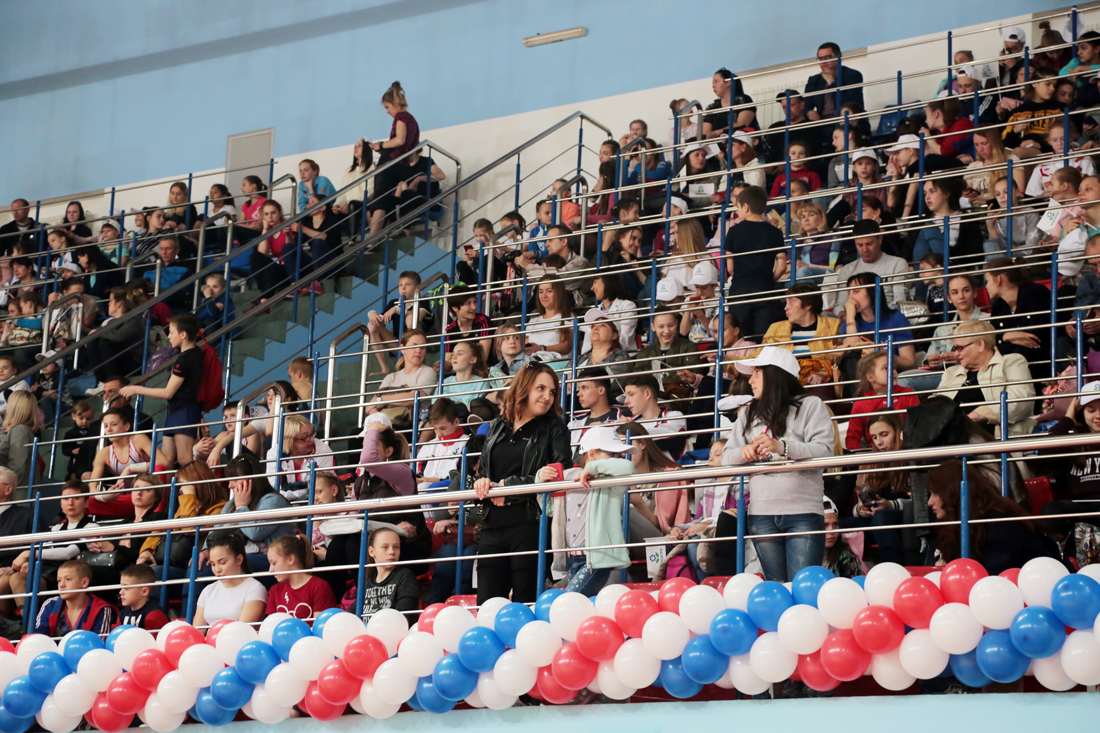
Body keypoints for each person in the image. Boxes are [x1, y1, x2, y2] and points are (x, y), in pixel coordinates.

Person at [723, 347, 835, 582]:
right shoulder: (748, 412)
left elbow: (824, 450)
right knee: (777, 588)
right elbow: (726, 457)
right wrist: (743, 452)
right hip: (761, 514)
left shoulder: (811, 405)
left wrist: (782, 447)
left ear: (775, 374)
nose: (750, 380)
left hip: (803, 511)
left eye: (757, 372)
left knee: (803, 586)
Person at [472, 363, 571, 604]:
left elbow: (560, 474)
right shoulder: (496, 426)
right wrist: (482, 483)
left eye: (552, 392)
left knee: (527, 601)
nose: (547, 397)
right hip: (492, 524)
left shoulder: (554, 427)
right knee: (487, 604)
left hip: (531, 524)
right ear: (524, 387)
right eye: (541, 388)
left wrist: (509, 486)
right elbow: (484, 473)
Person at [926, 459, 1060, 575]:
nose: (929, 502)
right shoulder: (960, 525)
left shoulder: (1000, 521)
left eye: (935, 494)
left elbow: (996, 574)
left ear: (953, 493)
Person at [549, 427, 635, 594]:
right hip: (572, 558)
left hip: (598, 558)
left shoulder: (612, 482)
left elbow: (628, 467)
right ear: (592, 453)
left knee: (571, 599)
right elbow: (548, 507)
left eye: (619, 455)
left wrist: (592, 468)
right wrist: (541, 477)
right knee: (579, 603)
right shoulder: (569, 477)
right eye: (612, 454)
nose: (616, 459)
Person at [120, 314, 203, 467]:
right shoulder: (192, 353)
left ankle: (200, 482)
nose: (169, 336)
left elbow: (168, 392)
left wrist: (136, 389)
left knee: (185, 459)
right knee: (166, 460)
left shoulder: (186, 359)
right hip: (175, 410)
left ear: (183, 335)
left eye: (171, 332)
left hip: (184, 411)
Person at [935, 319, 1036, 437]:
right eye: (955, 348)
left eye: (960, 348)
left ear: (980, 345)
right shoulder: (951, 373)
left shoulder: (1011, 362)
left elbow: (1020, 402)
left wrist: (973, 417)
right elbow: (933, 406)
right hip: (952, 436)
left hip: (993, 437)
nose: (956, 353)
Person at [355, 421, 431, 569]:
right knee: (342, 543)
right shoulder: (360, 482)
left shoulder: (402, 471)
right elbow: (355, 521)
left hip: (406, 545)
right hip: (378, 544)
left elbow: (367, 459)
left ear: (388, 452)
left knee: (355, 544)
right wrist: (390, 527)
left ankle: (366, 583)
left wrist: (373, 429)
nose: (366, 450)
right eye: (365, 446)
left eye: (371, 445)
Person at [203, 453, 294, 575]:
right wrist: (206, 550)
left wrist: (241, 507)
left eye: (235, 479)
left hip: (270, 560)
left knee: (234, 563)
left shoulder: (274, 501)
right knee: (199, 565)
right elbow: (215, 531)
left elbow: (255, 533)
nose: (230, 485)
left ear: (251, 479)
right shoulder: (231, 504)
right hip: (239, 556)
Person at [136, 461, 228, 569]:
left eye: (184, 485)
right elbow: (163, 528)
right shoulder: (187, 506)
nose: (180, 490)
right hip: (173, 561)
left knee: (153, 573)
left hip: (192, 563)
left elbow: (188, 528)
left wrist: (189, 496)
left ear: (198, 482)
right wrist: (147, 550)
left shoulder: (221, 507)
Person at [723, 186, 785, 339]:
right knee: (763, 338)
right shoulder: (775, 232)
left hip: (740, 290)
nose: (738, 211)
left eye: (738, 207)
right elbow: (782, 266)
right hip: (764, 289)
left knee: (741, 338)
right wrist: (768, 280)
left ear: (746, 207)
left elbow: (730, 268)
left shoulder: (733, 231)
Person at [86, 406, 168, 517]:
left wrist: (130, 469)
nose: (109, 430)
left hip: (150, 496)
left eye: (114, 424)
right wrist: (105, 496)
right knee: (85, 502)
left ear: (127, 426)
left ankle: (157, 515)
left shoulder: (138, 439)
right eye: (105, 426)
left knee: (159, 468)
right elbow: (92, 488)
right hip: (131, 499)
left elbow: (164, 462)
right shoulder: (103, 453)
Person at [985, 257, 1053, 381]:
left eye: (987, 281)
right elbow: (992, 338)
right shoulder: (998, 306)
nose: (986, 286)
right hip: (1013, 360)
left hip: (1040, 360)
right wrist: (1006, 336)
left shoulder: (1035, 293)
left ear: (998, 279)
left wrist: (1003, 340)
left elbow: (1036, 337)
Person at [761, 284, 842, 386]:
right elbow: (762, 357)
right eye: (786, 302)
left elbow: (840, 360)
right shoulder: (775, 328)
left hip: (819, 382)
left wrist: (824, 374)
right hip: (784, 382)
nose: (786, 308)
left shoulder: (833, 325)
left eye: (791, 302)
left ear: (808, 304)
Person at [839, 272, 916, 376]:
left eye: (856, 291)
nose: (851, 298)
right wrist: (850, 317)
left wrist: (880, 352)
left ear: (873, 291)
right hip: (864, 376)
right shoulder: (848, 324)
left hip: (890, 374)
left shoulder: (897, 319)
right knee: (852, 358)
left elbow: (909, 362)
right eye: (849, 293)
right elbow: (851, 347)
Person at [368, 82, 420, 236]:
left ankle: (372, 238)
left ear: (396, 103)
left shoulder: (401, 117)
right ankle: (379, 235)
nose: (387, 112)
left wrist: (381, 145)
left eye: (387, 107)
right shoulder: (412, 120)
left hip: (392, 162)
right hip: (403, 164)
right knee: (385, 200)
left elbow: (400, 140)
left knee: (379, 200)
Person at [845, 351, 920, 451]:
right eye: (886, 368)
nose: (893, 371)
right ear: (870, 377)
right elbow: (852, 438)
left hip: (906, 451)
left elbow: (918, 427)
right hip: (876, 454)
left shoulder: (907, 394)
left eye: (893, 367)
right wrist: (861, 457)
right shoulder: (861, 403)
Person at [193, 531, 267, 626]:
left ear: (239, 559)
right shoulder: (208, 591)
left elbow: (242, 629)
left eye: (222, 563)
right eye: (213, 564)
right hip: (210, 635)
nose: (217, 570)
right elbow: (197, 630)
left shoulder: (254, 589)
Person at [367, 270, 433, 373]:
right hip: (400, 346)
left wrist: (398, 310)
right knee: (372, 325)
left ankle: (413, 358)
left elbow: (419, 316)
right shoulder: (394, 303)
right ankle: (384, 368)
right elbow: (381, 318)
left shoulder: (423, 301)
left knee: (410, 319)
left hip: (420, 347)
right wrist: (371, 313)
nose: (403, 288)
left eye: (408, 285)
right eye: (400, 285)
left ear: (417, 288)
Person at [368, 328, 435, 429]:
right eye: (414, 346)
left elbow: (412, 398)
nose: (418, 351)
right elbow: (370, 406)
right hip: (384, 424)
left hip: (409, 424)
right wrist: (379, 419)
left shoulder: (428, 372)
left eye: (422, 347)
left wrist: (381, 399)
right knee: (356, 433)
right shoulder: (390, 377)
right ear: (402, 348)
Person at [32, 559, 116, 636]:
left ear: (84, 582)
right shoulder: (50, 604)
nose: (61, 585)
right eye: (59, 580)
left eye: (68, 579)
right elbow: (38, 638)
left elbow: (99, 643)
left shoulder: (102, 609)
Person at [911, 177, 985, 263]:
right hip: (928, 269)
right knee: (928, 226)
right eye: (925, 193)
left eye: (932, 191)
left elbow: (975, 252)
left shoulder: (967, 220)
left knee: (928, 226)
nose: (927, 197)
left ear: (947, 193)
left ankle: (946, 263)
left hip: (958, 267)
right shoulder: (919, 223)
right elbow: (909, 253)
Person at [265, 534, 338, 620]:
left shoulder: (319, 587)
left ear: (291, 559)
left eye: (274, 563)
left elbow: (319, 625)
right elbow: (270, 625)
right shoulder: (275, 590)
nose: (270, 570)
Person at [265, 414, 335, 501]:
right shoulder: (274, 454)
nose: (311, 440)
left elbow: (322, 488)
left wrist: (292, 488)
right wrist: (306, 486)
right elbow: (277, 490)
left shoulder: (323, 450)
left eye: (312, 434)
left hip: (316, 501)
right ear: (290, 440)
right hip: (283, 502)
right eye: (305, 437)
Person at [622, 374, 688, 460]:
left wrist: (624, 433)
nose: (626, 401)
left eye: (631, 394)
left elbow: (661, 439)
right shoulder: (628, 422)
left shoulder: (675, 416)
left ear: (647, 394)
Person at [359, 528, 420, 617]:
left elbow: (403, 617)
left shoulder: (405, 576)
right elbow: (352, 617)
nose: (392, 552)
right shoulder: (366, 582)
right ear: (371, 551)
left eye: (396, 547)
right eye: (385, 547)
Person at [636, 306, 702, 387]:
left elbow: (692, 374)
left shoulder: (689, 347)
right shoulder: (644, 353)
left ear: (676, 324)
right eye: (661, 327)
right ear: (653, 327)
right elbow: (637, 379)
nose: (666, 331)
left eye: (670, 325)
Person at [415, 398, 468, 492]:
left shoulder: (467, 443)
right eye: (435, 428)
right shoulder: (428, 446)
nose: (438, 433)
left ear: (456, 422)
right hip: (426, 487)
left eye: (443, 428)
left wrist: (437, 480)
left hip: (452, 488)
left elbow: (464, 474)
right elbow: (419, 472)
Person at [982, 177, 1042, 259]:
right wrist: (991, 226)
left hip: (1025, 258)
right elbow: (996, 246)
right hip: (1002, 257)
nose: (1002, 196)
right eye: (997, 194)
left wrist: (1012, 251)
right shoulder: (993, 216)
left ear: (1017, 192)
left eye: (1006, 192)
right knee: (988, 244)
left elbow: (1032, 246)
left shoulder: (1030, 213)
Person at [289, 193, 342, 283]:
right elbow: (296, 244)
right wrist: (287, 234)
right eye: (308, 203)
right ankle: (294, 285)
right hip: (317, 264)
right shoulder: (307, 224)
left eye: (312, 203)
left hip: (334, 263)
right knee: (288, 247)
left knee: (318, 242)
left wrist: (303, 229)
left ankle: (317, 283)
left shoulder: (331, 220)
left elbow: (324, 237)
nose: (308, 205)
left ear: (322, 207)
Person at [963, 128, 1025, 204]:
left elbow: (1019, 192)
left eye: (984, 144)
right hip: (977, 208)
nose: (980, 149)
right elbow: (967, 197)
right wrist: (967, 194)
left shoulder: (1012, 160)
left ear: (994, 143)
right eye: (976, 145)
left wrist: (984, 200)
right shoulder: (972, 167)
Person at [803, 42, 864, 120]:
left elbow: (848, 104)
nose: (823, 61)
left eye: (827, 57)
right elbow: (805, 105)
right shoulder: (814, 80)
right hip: (823, 122)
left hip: (848, 120)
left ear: (838, 57)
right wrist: (809, 112)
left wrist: (832, 82)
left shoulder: (853, 75)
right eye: (820, 58)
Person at [583, 273, 637, 354]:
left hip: (623, 357)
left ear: (607, 282)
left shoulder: (628, 306)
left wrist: (603, 354)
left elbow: (624, 341)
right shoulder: (594, 312)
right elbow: (587, 346)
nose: (592, 288)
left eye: (595, 283)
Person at [438, 341, 494, 418]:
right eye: (453, 354)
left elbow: (479, 409)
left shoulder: (482, 382)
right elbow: (436, 408)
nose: (454, 357)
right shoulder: (444, 382)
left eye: (460, 354)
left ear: (473, 359)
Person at [443, 286, 493, 370]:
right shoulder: (450, 330)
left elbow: (483, 357)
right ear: (455, 308)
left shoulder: (483, 321)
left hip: (483, 370)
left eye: (475, 302)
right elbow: (448, 360)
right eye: (468, 303)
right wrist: (443, 365)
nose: (474, 307)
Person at [524, 275, 574, 357]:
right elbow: (526, 347)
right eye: (541, 292)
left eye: (549, 291)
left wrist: (542, 349)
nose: (544, 296)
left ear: (559, 293)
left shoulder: (568, 317)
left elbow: (568, 346)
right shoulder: (533, 321)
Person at [0, 391, 38, 496]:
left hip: (15, 496)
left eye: (9, 403)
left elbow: (18, 467)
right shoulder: (19, 429)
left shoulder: (20, 430)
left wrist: (5, 488)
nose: (6, 406)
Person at [703, 68, 756, 140]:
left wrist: (715, 133)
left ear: (728, 82)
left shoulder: (743, 100)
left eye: (716, 82)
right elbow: (706, 132)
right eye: (713, 83)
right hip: (719, 145)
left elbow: (741, 124)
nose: (713, 86)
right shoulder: (712, 107)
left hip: (742, 142)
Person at [117, 564, 170, 630]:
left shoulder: (154, 615)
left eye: (126, 588)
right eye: (121, 587)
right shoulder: (122, 614)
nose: (121, 592)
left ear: (144, 591)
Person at [822, 497, 864, 578]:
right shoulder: (800, 555)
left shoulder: (847, 557)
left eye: (835, 524)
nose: (832, 531)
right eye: (825, 525)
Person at [334, 139, 374, 217]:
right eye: (355, 146)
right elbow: (343, 192)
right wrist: (337, 205)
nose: (356, 148)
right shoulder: (349, 171)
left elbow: (370, 191)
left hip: (362, 204)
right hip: (347, 206)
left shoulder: (372, 168)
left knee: (352, 206)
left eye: (359, 145)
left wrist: (349, 204)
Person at [61, 400, 96, 480]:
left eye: (88, 419)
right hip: (74, 464)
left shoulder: (93, 432)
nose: (84, 421)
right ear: (74, 416)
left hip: (89, 462)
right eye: (81, 418)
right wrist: (72, 451)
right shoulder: (70, 433)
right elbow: (65, 449)